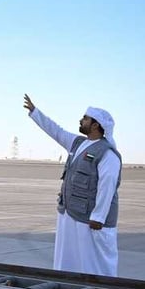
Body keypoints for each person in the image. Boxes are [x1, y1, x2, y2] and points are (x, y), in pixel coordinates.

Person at [23, 94, 121, 276]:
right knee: (68, 258)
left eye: (85, 118)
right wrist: (35, 113)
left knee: (93, 263)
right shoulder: (77, 143)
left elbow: (107, 186)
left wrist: (98, 217)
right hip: (70, 213)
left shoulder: (107, 153)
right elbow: (56, 131)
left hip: (90, 220)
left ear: (95, 125)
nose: (81, 120)